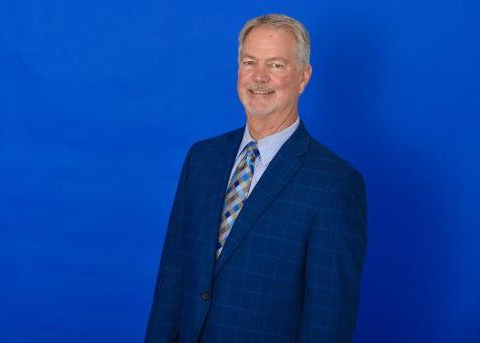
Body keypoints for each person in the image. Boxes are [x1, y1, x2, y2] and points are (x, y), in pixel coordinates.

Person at [146, 13, 367, 343]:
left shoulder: (334, 184)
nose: (259, 77)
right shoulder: (202, 159)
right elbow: (172, 278)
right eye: (250, 62)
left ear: (303, 77)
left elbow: (328, 321)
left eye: (276, 65)